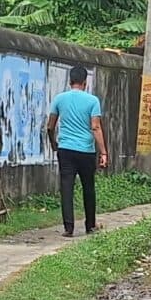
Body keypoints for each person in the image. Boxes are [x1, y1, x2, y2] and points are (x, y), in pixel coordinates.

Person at [45, 66, 107, 234]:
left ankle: (69, 227)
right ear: (85, 82)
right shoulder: (93, 101)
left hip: (65, 150)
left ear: (69, 81)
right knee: (88, 188)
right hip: (86, 151)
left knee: (66, 187)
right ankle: (90, 225)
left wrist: (53, 144)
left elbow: (50, 126)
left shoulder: (59, 99)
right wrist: (103, 152)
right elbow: (95, 127)